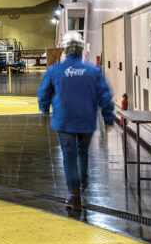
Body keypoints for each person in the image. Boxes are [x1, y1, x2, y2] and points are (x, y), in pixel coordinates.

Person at [37, 31, 115, 210]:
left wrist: (44, 109)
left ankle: (74, 194)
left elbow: (44, 93)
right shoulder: (93, 71)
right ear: (81, 50)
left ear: (64, 49)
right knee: (83, 152)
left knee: (69, 156)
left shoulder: (54, 70)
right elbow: (105, 95)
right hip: (86, 121)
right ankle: (83, 182)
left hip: (64, 121)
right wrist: (108, 117)